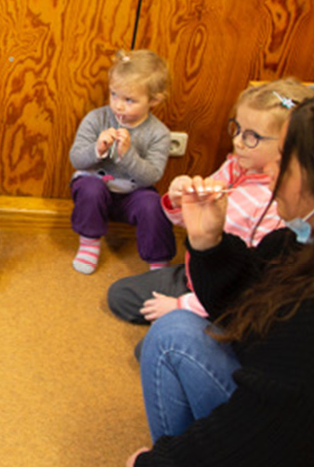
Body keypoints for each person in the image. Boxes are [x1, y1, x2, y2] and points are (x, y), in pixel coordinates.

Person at [71, 96, 314, 467]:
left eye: (283, 158)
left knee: (170, 337)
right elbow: (243, 314)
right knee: (173, 332)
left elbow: (264, 427)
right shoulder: (293, 240)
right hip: (285, 436)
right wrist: (208, 244)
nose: (268, 168)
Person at [108, 79, 311, 325]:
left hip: (228, 293)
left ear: (286, 147)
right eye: (237, 129)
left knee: (161, 341)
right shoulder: (234, 166)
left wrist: (182, 306)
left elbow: (247, 287)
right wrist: (178, 202)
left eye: (252, 136)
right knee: (121, 295)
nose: (237, 141)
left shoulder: (281, 204)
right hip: (199, 273)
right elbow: (195, 225)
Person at [69, 50, 174, 275]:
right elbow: (76, 159)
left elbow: (152, 176)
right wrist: (97, 150)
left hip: (132, 195)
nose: (118, 106)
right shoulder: (97, 119)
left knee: (153, 203)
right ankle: (89, 242)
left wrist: (128, 156)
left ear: (154, 100)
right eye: (114, 94)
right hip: (96, 187)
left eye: (129, 100)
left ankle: (158, 263)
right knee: (90, 187)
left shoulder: (159, 133)